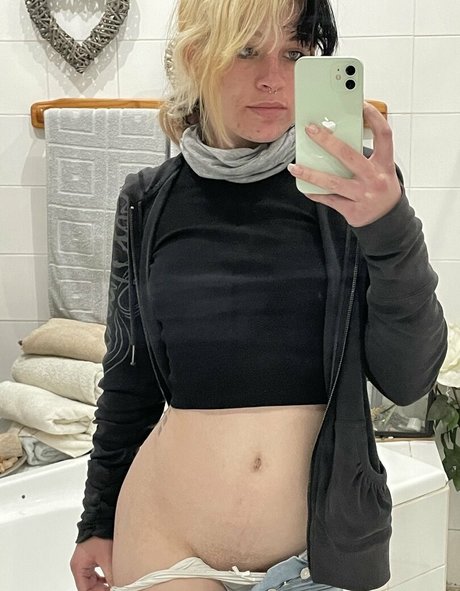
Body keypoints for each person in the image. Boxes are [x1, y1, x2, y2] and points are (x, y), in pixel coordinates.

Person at [70, 0, 447, 590]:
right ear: (197, 55)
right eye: (246, 50)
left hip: (320, 552)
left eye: (294, 53)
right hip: (164, 538)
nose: (273, 78)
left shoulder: (355, 194)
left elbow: (409, 378)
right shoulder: (147, 200)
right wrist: (97, 519)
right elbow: (129, 377)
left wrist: (390, 228)